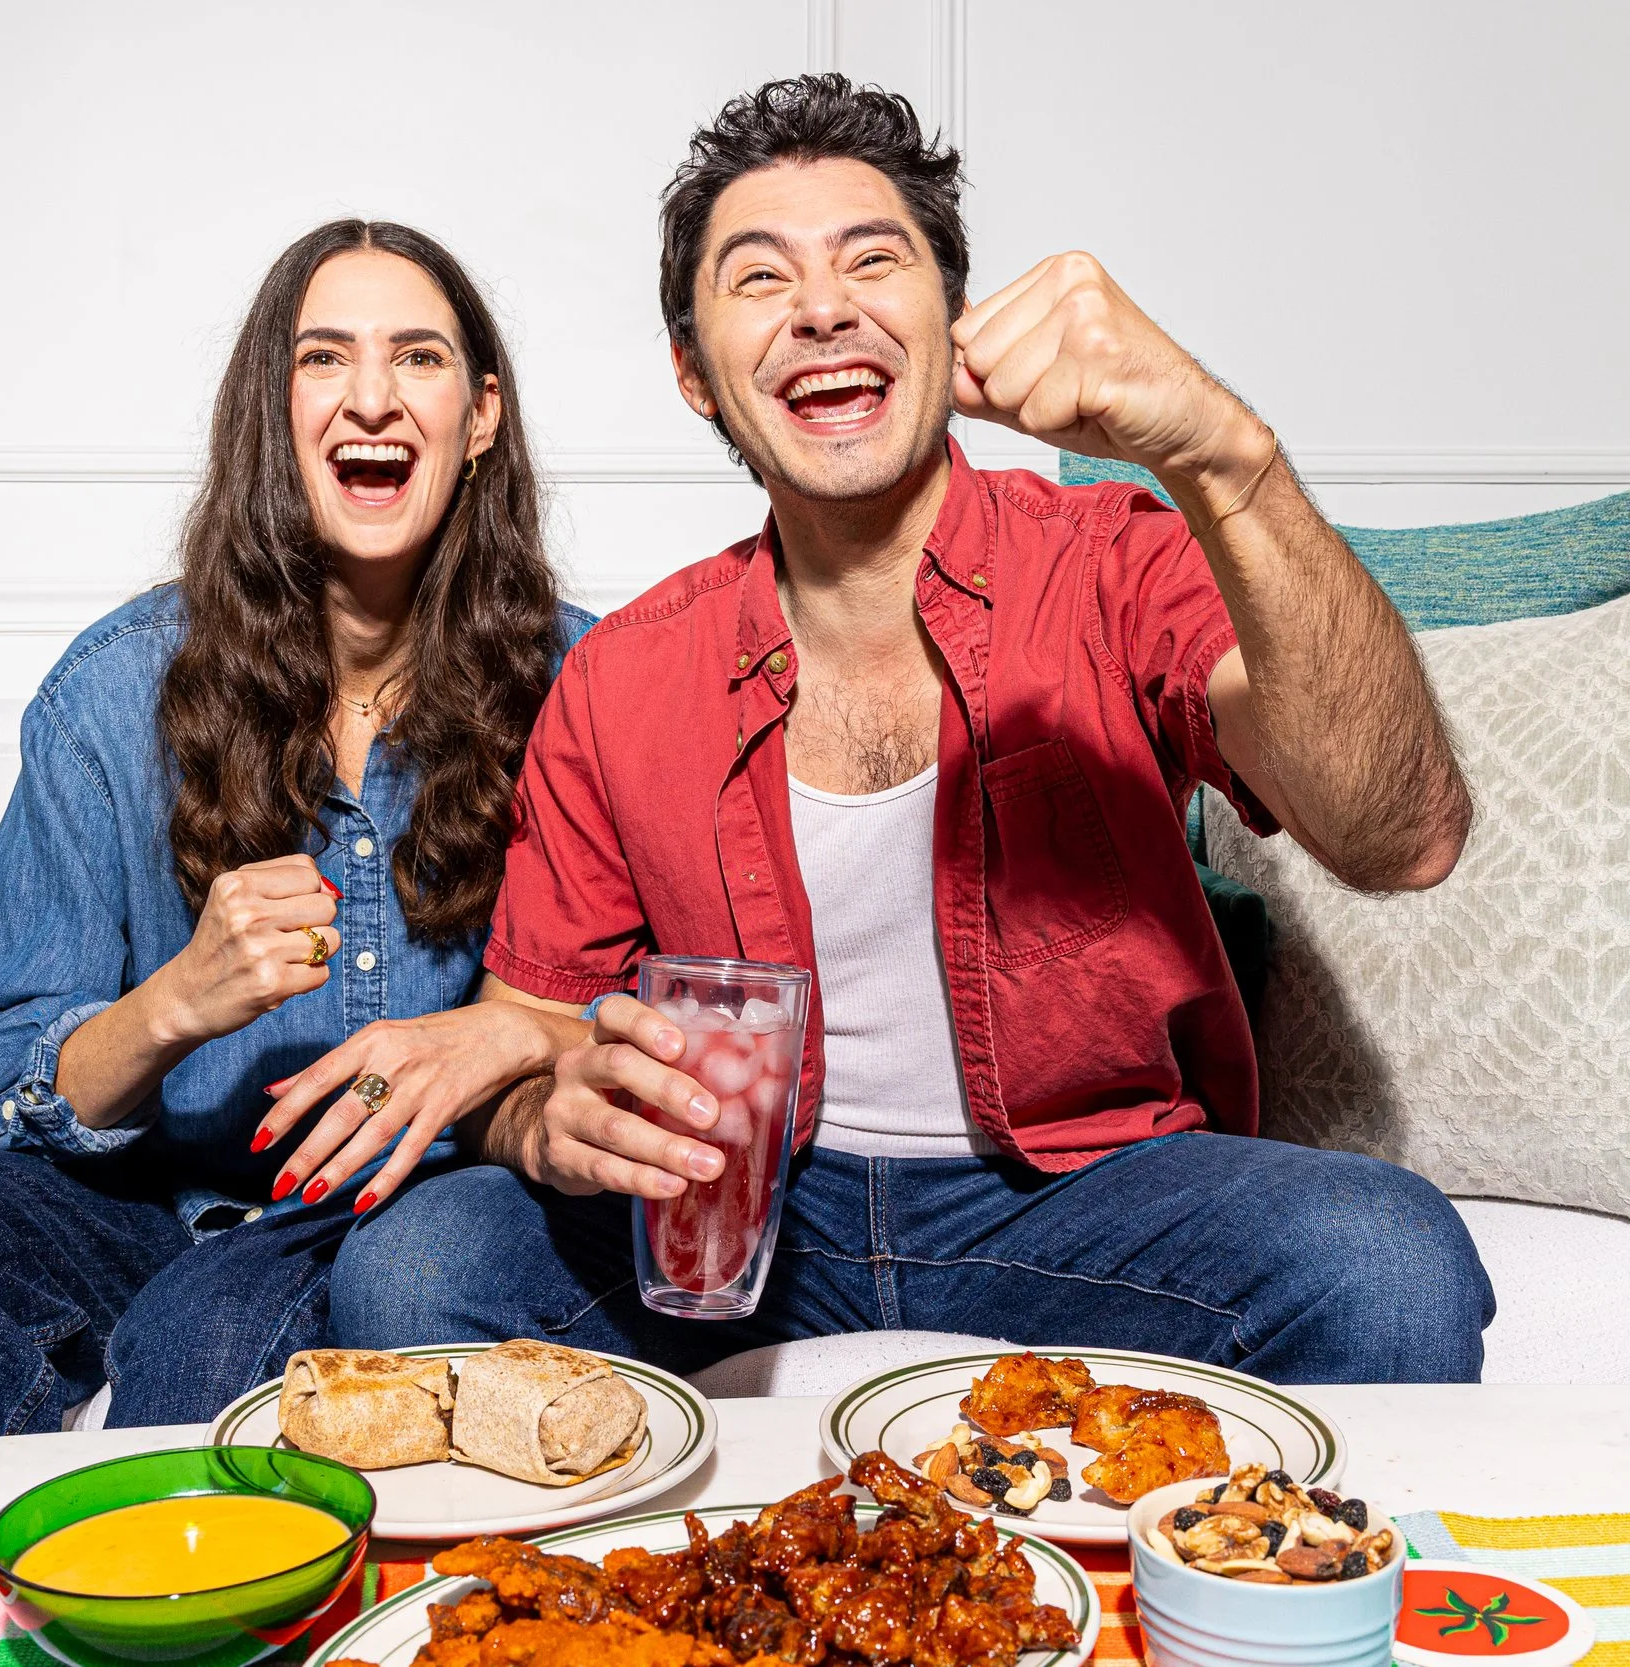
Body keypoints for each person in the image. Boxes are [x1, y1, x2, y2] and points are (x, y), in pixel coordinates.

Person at [331, 76, 1494, 1382]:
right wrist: (548, 1117)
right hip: (752, 1211)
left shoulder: (1115, 564)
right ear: (696, 376)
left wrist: (1225, 455)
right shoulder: (621, 676)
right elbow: (525, 1026)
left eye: (871, 259)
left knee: (1387, 1257)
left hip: (1087, 1200)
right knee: (413, 1269)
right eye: (758, 277)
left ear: (952, 321)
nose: (822, 306)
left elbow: (1404, 833)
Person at [0, 220, 594, 1438]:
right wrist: (176, 999)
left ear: (480, 414)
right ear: (270, 413)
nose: (372, 398)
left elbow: (665, 1012)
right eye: (323, 358)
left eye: (419, 358)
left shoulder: (589, 685)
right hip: (152, 1203)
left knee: (216, 1334)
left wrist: (507, 1043)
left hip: (453, 1209)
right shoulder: (115, 692)